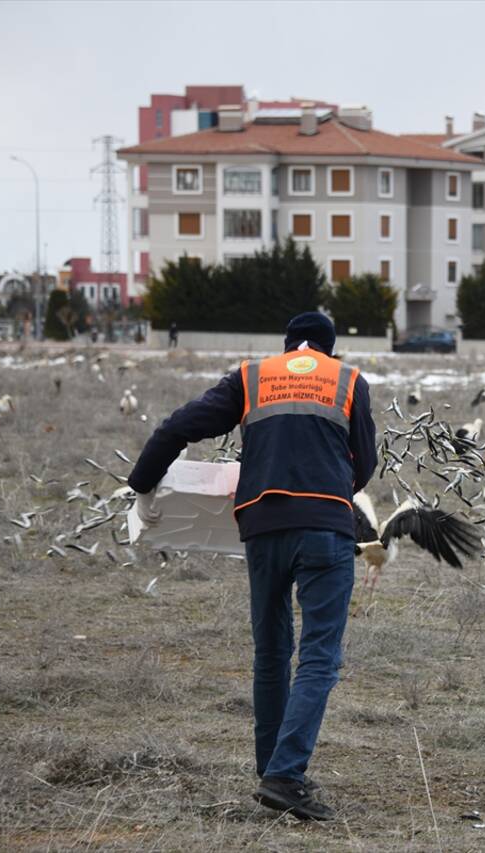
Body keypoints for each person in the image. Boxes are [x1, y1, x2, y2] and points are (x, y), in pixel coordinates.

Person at [127, 312, 376, 821]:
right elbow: (365, 464)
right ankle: (284, 777)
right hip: (326, 528)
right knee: (319, 657)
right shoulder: (349, 380)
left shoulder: (253, 377)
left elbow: (178, 425)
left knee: (271, 651)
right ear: (329, 349)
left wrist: (143, 483)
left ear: (286, 347)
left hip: (262, 529)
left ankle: (274, 772)